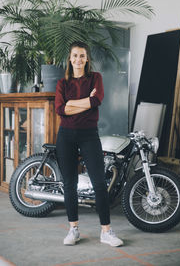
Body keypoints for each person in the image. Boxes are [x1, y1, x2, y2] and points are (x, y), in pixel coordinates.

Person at [55, 41, 123, 247]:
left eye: (82, 56)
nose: (78, 59)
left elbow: (97, 101)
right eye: (75, 55)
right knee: (69, 184)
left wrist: (72, 104)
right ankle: (73, 229)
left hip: (89, 135)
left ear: (87, 59)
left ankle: (106, 231)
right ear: (70, 58)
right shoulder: (62, 83)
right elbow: (60, 110)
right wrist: (84, 102)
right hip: (65, 136)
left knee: (100, 183)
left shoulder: (96, 78)